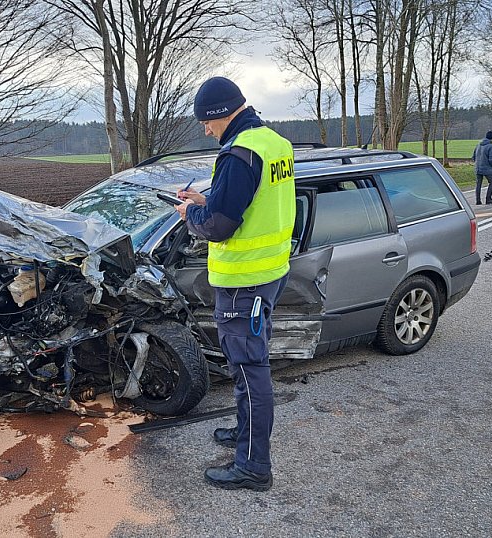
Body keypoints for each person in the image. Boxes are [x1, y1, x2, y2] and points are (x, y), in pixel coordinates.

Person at [174, 76, 295, 492]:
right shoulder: (274, 144)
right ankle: (245, 433)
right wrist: (206, 201)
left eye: (206, 122)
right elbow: (253, 202)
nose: (207, 131)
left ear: (221, 114)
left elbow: (219, 227)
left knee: (248, 368)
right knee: (247, 364)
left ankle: (253, 465)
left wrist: (190, 216)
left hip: (245, 281)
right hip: (269, 274)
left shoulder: (238, 153)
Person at [472, 130, 492, 205]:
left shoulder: (478, 145)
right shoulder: (491, 146)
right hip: (487, 168)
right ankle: (488, 199)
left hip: (477, 168)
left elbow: (473, 157)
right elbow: (491, 159)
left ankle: (478, 200)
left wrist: (477, 163)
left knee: (478, 184)